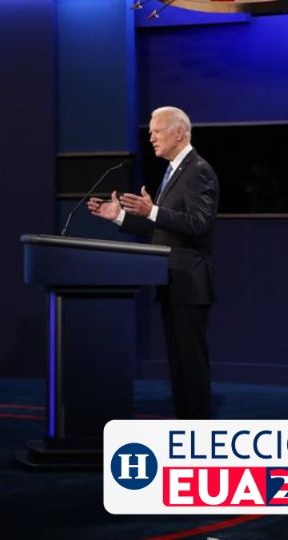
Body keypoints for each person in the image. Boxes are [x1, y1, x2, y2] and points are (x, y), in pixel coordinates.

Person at [87, 106, 219, 419]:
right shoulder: (174, 170)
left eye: (157, 131)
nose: (151, 138)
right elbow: (161, 226)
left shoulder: (198, 169)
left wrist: (154, 212)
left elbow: (200, 223)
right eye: (150, 132)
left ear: (180, 133)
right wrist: (119, 216)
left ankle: (199, 435)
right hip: (171, 281)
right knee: (178, 366)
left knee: (191, 366)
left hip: (189, 283)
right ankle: (185, 430)